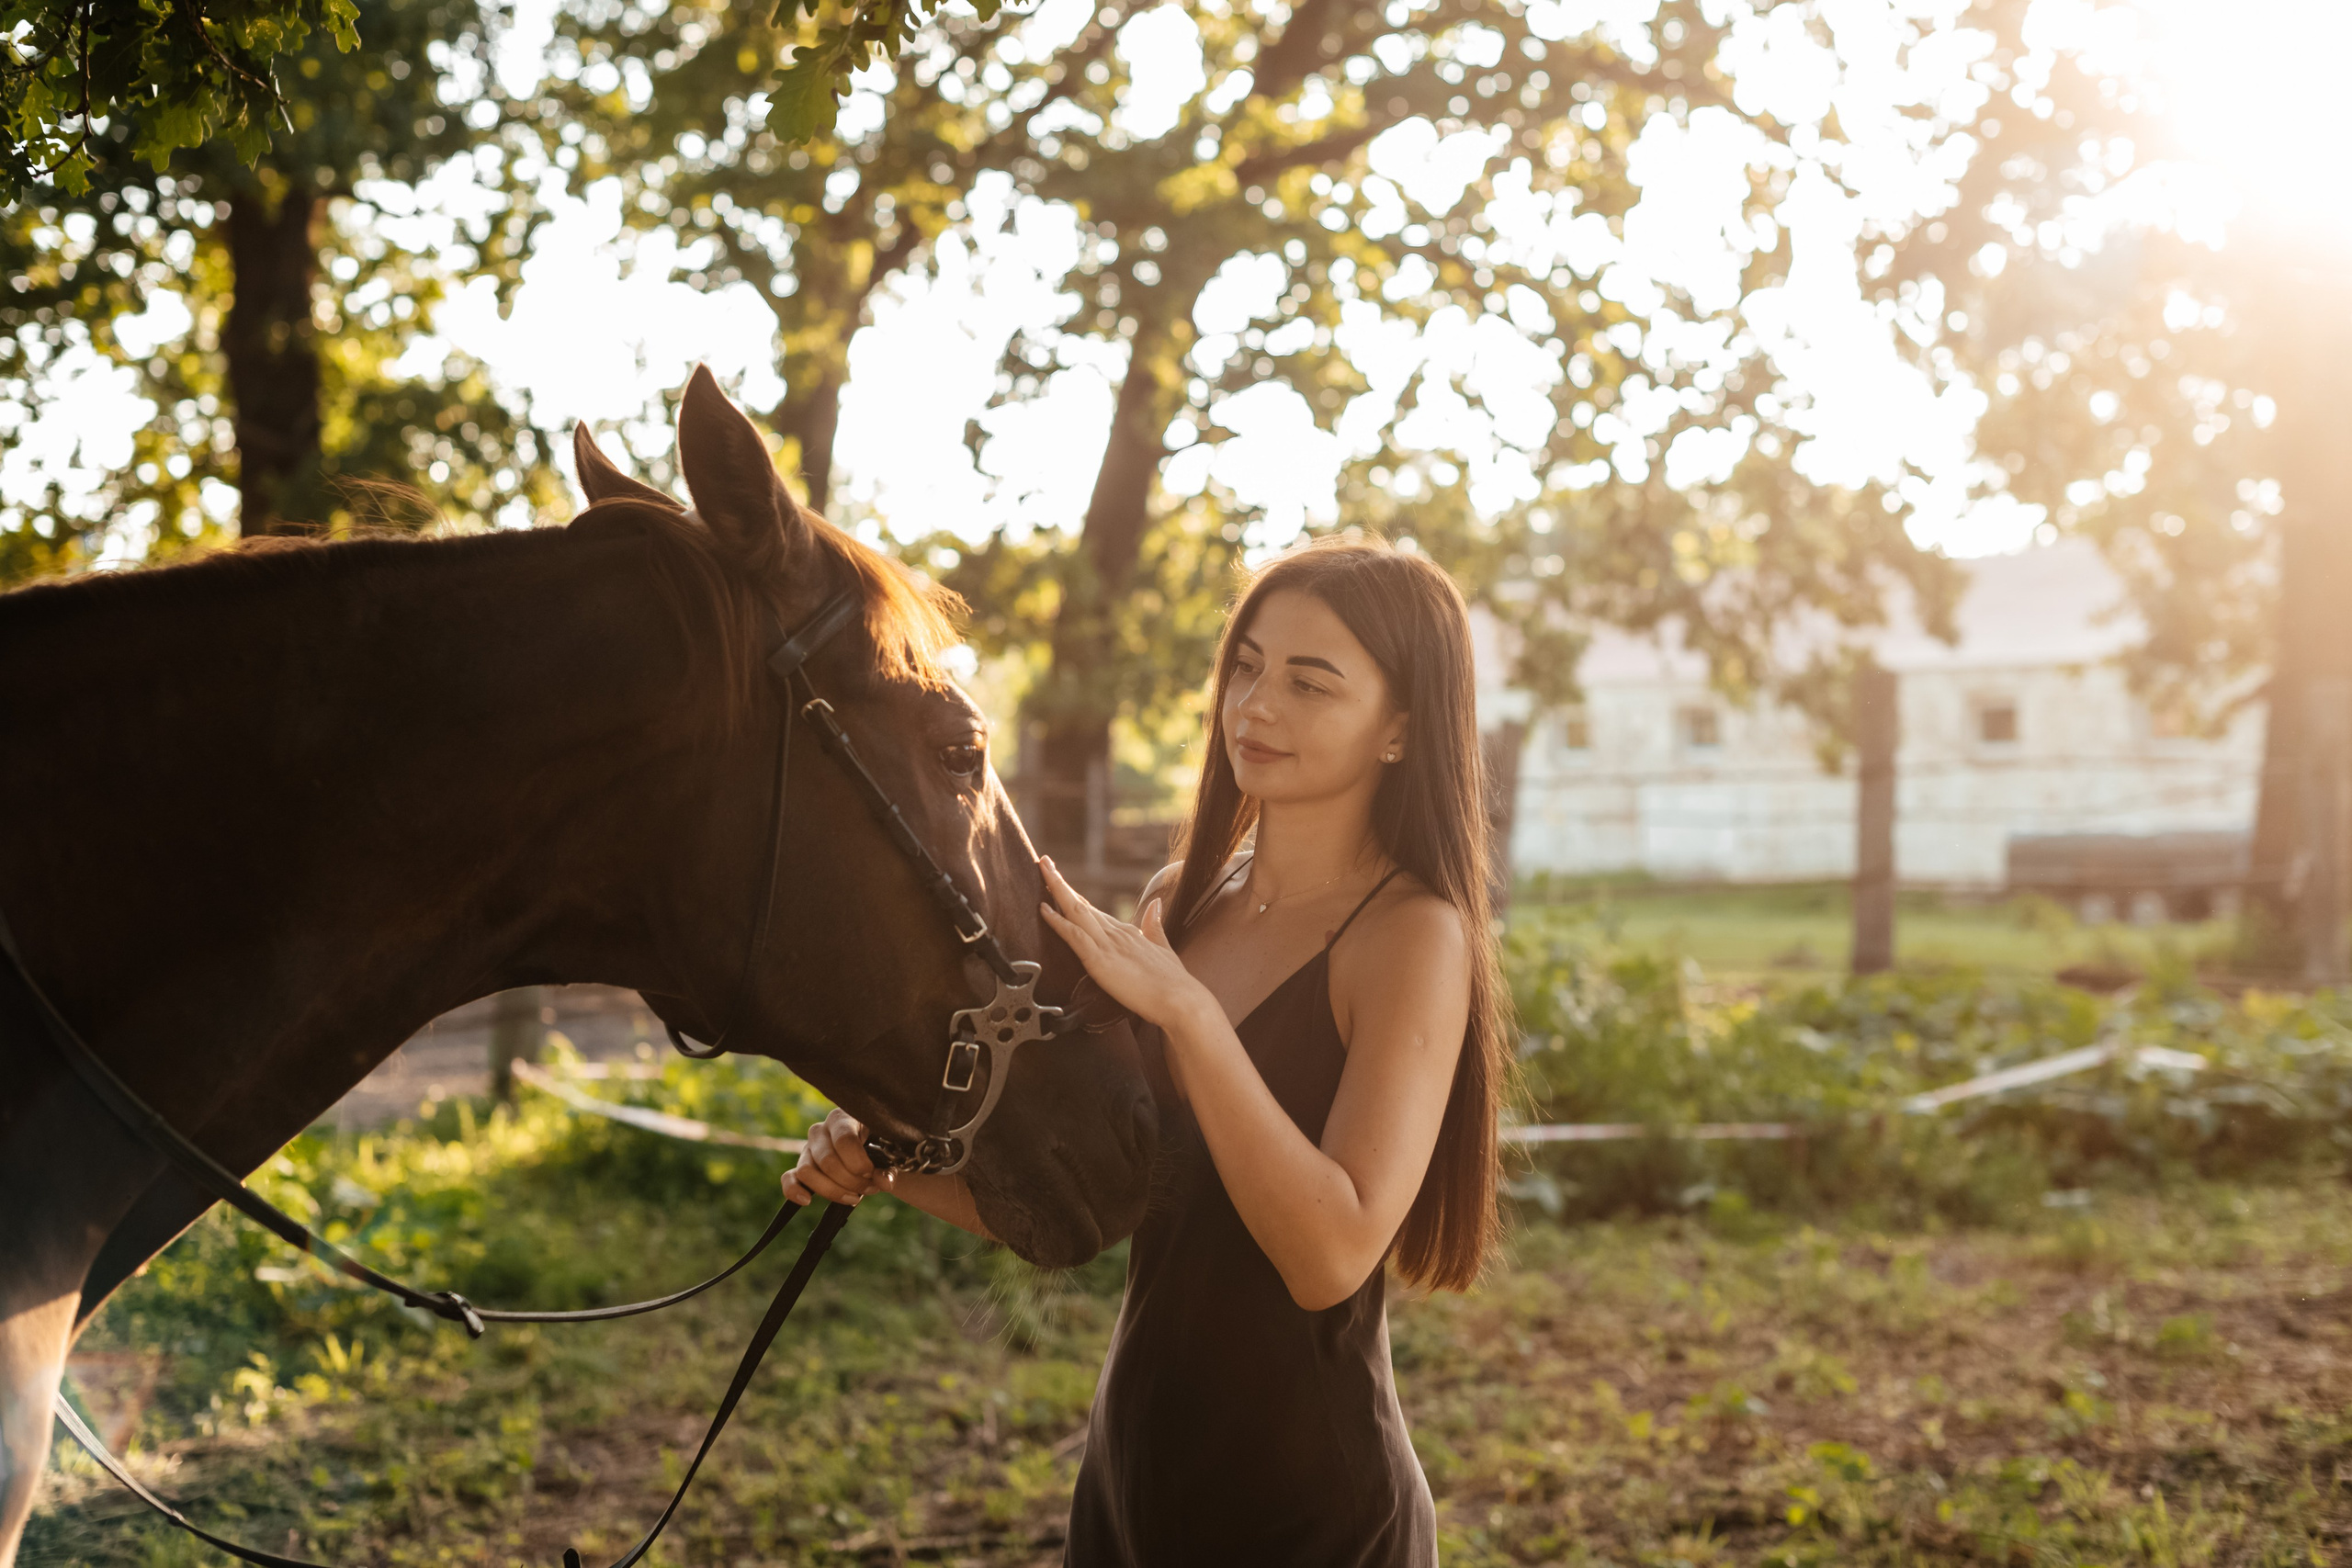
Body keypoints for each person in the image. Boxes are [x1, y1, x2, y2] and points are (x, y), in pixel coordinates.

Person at [783, 533, 1510, 1565]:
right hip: (1131, 1476)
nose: (1255, 706)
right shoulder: (1183, 902)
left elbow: (1331, 1256)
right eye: (1247, 666)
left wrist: (1189, 1015)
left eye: (1310, 683)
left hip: (1311, 1505)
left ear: (1400, 728)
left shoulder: (1412, 935)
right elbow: (1101, 1190)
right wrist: (885, 1157)